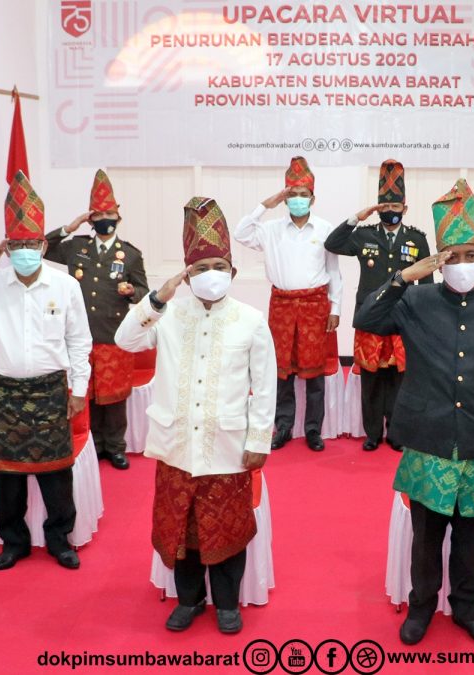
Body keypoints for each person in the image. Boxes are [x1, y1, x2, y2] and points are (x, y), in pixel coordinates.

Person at [355, 179, 474, 646]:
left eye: (472, 255)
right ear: (439, 259)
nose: (463, 264)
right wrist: (406, 276)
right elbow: (366, 319)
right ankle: (422, 608)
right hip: (428, 439)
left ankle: (467, 609)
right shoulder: (415, 300)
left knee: (470, 539)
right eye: (453, 255)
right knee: (426, 538)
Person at [116, 196, 276, 634]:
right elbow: (126, 339)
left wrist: (258, 439)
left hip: (227, 444)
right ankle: (189, 600)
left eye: (219, 267)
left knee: (226, 523)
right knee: (181, 525)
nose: (211, 277)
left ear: (233, 272)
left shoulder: (250, 319)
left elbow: (265, 385)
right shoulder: (167, 315)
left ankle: (227, 603)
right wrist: (159, 296)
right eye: (200, 269)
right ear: (187, 275)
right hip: (176, 443)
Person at [0, 171, 91, 572]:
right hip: (6, 391)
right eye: (16, 245)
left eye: (31, 243)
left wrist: (79, 389)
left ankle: (61, 540)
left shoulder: (65, 286)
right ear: (7, 247)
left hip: (50, 390)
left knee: (57, 473)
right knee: (5, 476)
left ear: (43, 244)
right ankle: (14, 542)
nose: (25, 250)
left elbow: (80, 341)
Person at [234, 156, 342, 451]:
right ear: (284, 198)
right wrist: (264, 206)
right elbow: (240, 233)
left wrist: (336, 308)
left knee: (315, 372)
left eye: (302, 195)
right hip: (282, 306)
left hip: (315, 305)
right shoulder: (269, 230)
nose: (297, 200)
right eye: (291, 195)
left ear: (312, 197)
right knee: (282, 371)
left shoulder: (324, 229)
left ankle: (312, 429)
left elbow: (334, 271)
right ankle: (283, 426)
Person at [325, 159, 433, 451]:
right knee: (371, 381)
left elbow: (428, 284)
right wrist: (356, 217)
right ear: (378, 208)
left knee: (400, 381)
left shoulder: (416, 239)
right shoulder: (364, 235)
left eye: (395, 209)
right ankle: (373, 434)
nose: (389, 213)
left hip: (404, 319)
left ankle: (396, 434)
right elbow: (332, 244)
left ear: (405, 209)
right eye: (384, 208)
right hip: (371, 319)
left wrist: (427, 323)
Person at [45, 169, 149, 470]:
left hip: (113, 334)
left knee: (113, 397)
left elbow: (143, 290)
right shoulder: (77, 247)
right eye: (98, 214)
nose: (105, 218)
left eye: (109, 213)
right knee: (83, 393)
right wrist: (69, 226)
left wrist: (132, 291)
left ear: (118, 216)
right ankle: (88, 444)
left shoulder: (129, 255)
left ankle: (114, 446)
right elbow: (43, 246)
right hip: (79, 335)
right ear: (90, 219)